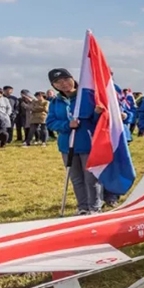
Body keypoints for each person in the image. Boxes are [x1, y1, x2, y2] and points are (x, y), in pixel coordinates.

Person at [45, 68, 103, 214]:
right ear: (54, 86)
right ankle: (82, 206)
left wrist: (97, 113)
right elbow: (51, 122)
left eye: (65, 79)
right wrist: (66, 125)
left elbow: (96, 122)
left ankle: (95, 207)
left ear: (73, 79)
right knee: (76, 178)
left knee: (91, 178)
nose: (63, 84)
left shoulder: (87, 96)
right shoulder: (56, 102)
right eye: (58, 82)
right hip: (67, 146)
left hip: (87, 144)